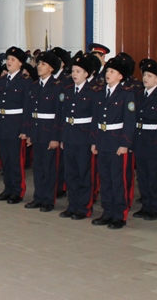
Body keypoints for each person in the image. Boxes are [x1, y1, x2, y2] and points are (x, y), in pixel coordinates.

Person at [90, 55, 136, 229]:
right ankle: (107, 211)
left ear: (120, 76)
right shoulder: (100, 93)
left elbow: (129, 121)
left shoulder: (126, 94)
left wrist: (125, 143)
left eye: (112, 71)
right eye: (107, 70)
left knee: (118, 179)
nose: (108, 74)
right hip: (102, 140)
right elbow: (95, 119)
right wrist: (94, 141)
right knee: (105, 178)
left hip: (117, 142)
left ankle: (119, 214)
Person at [58, 53, 101, 220]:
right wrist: (62, 137)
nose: (74, 74)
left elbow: (96, 118)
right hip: (69, 136)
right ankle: (72, 205)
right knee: (70, 174)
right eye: (73, 71)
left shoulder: (93, 91)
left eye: (78, 71)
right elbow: (63, 115)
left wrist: (93, 140)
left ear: (87, 74)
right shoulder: (68, 90)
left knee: (84, 174)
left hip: (84, 137)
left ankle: (84, 207)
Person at [131, 59, 157, 221]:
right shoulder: (138, 95)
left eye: (149, 76)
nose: (145, 78)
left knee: (154, 177)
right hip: (140, 141)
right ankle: (145, 205)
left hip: (154, 142)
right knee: (142, 177)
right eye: (144, 75)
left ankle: (156, 208)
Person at [23, 52, 63, 212]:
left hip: (49, 132)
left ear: (51, 68)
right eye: (39, 63)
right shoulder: (34, 86)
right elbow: (30, 111)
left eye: (43, 64)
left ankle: (48, 200)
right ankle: (38, 197)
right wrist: (29, 133)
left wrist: (55, 137)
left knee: (49, 168)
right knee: (38, 167)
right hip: (37, 131)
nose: (39, 66)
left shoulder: (57, 86)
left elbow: (59, 114)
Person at [0, 46, 31, 204]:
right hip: (2, 124)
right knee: (6, 160)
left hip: (16, 125)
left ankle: (17, 190)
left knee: (15, 160)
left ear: (20, 63)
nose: (9, 62)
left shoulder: (25, 82)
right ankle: (7, 189)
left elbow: (27, 107)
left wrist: (25, 128)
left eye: (13, 59)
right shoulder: (1, 81)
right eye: (8, 59)